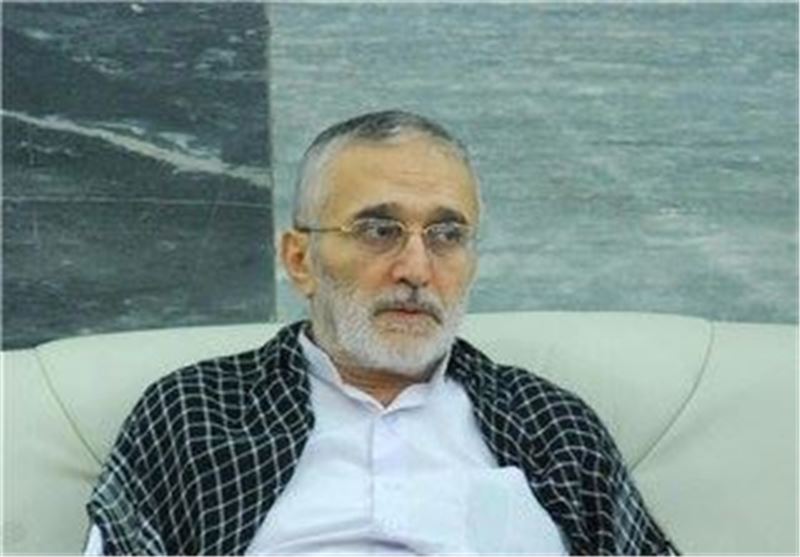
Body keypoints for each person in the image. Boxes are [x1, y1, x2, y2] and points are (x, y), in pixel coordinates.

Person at [85, 109, 676, 555]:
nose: (417, 270)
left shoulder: (550, 423)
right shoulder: (196, 411)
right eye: (378, 230)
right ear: (299, 260)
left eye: (447, 236)